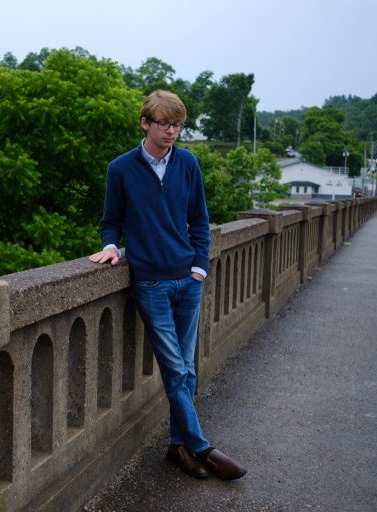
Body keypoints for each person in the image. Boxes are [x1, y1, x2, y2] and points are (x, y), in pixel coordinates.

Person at [89, 90, 247, 480]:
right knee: (175, 368)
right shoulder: (121, 169)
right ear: (146, 123)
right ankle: (202, 446)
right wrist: (111, 247)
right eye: (164, 123)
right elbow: (111, 221)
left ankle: (179, 448)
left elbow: (199, 220)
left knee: (187, 369)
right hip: (151, 283)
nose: (171, 131)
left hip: (188, 281)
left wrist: (199, 270)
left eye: (177, 124)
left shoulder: (188, 164)